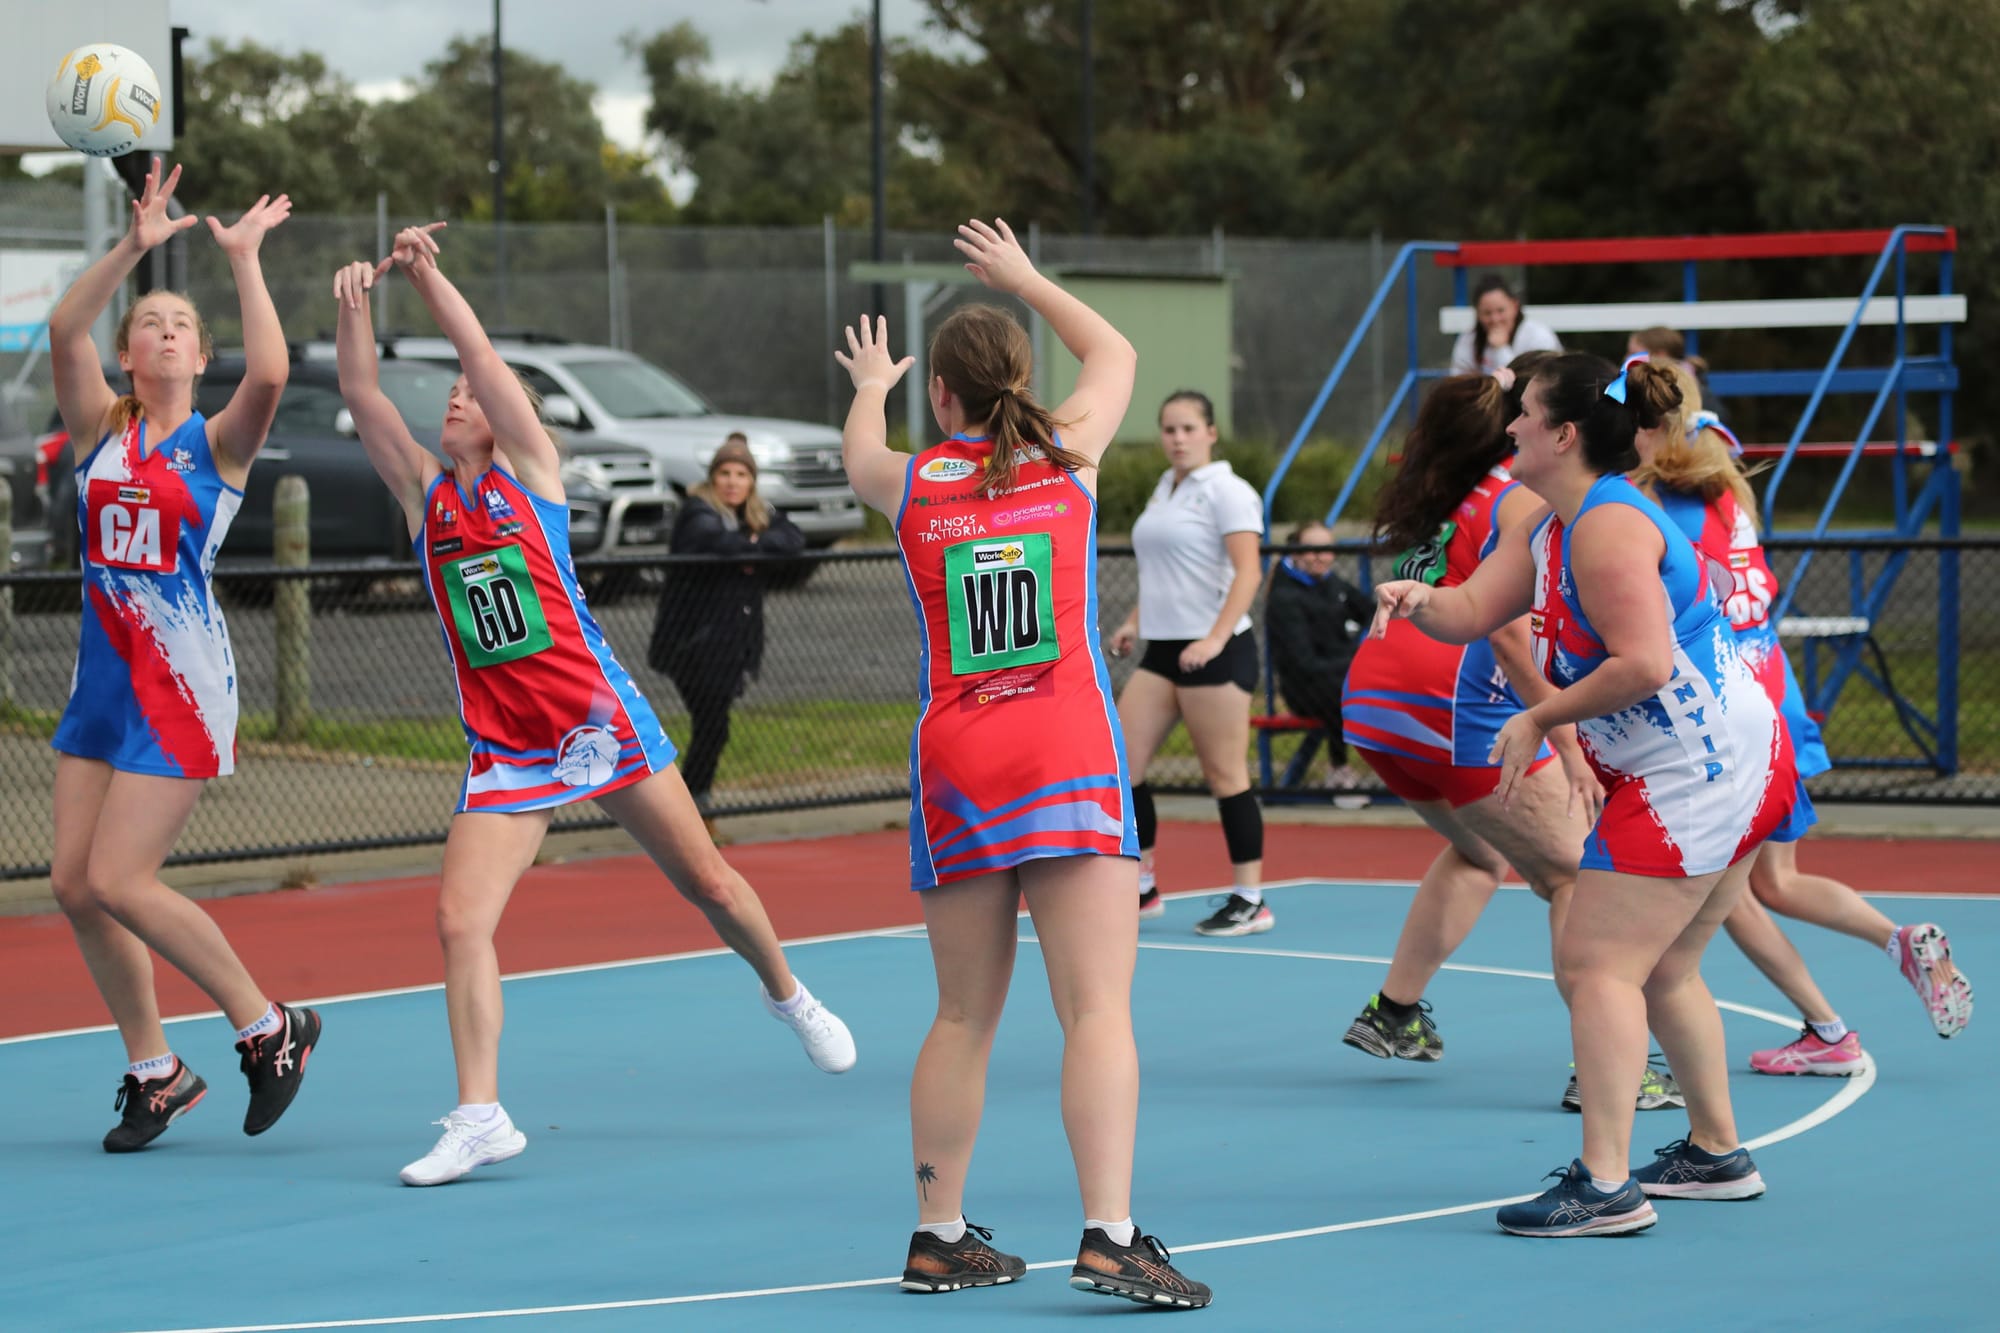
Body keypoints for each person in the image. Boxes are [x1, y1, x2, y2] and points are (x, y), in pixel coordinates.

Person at [332, 224, 854, 1188]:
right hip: (507, 746)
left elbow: (482, 355)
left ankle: (789, 993)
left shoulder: (531, 477)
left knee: (709, 883)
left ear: (504, 418)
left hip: (598, 723)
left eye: (469, 394)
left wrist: (431, 281)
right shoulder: (424, 499)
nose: (455, 398)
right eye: (449, 394)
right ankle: (481, 1115)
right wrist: (354, 306)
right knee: (459, 920)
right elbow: (362, 393)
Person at [834, 217, 1208, 1308]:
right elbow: (1116, 352)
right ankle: (1110, 1235)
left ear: (941, 397)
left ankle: (937, 1233)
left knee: (960, 1015)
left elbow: (859, 450)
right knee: (1094, 1009)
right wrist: (1027, 278)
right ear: (1021, 384)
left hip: (957, 761)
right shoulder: (1068, 458)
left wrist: (872, 384)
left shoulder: (909, 483)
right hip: (1064, 754)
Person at [1373, 351, 1797, 1237]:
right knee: (1665, 966)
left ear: (1564, 434)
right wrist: (1418, 598)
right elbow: (1471, 610)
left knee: (1597, 965)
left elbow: (1642, 664)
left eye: (1525, 412)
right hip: (1730, 756)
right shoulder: (1547, 520)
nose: (1511, 425)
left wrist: (1540, 718)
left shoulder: (1606, 528)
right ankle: (1716, 1153)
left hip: (1695, 769)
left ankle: (1605, 1185)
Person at [45, 158, 320, 1154]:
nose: (165, 331)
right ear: (127, 355)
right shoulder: (98, 432)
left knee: (122, 879)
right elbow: (63, 330)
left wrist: (241, 259)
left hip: (180, 691)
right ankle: (155, 1070)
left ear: (200, 357)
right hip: (102, 687)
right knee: (74, 884)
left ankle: (268, 1024)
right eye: (149, 324)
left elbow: (273, 375)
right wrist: (133, 246)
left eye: (180, 326)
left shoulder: (217, 446)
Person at [1630, 360, 1973, 1068]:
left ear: (1650, 428)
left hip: (1743, 718)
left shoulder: (1658, 507)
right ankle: (1894, 946)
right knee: (1770, 883)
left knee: (1727, 895)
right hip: (1774, 695)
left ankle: (1828, 1031)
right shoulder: (1724, 483)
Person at [1338, 367, 1625, 1096]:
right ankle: (1606, 1070)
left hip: (1376, 700)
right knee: (1572, 874)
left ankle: (1394, 1013)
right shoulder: (1519, 494)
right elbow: (1505, 635)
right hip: (1448, 704)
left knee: (1478, 852)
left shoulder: (1458, 492)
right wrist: (1568, 744)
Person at [1106, 390, 1268, 936]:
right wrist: (1135, 621)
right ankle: (1142, 885)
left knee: (1225, 775)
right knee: (1121, 765)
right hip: (1162, 650)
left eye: (1188, 428)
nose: (1177, 439)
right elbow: (1167, 573)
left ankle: (1250, 898)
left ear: (1211, 433)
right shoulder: (1165, 488)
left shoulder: (1228, 491)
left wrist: (1214, 639)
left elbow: (1249, 572)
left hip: (1217, 652)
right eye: (1169, 429)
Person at [647, 434, 805, 810]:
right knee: (713, 725)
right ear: (712, 477)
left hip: (730, 643)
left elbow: (793, 538)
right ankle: (690, 805)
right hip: (692, 643)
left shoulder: (753, 513)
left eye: (741, 474)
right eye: (725, 473)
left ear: (752, 481)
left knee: (713, 727)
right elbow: (716, 542)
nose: (732, 482)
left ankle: (691, 802)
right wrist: (752, 544)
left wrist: (753, 543)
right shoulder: (697, 512)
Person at [1264, 521, 1372, 789]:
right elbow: (1304, 663)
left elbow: (1371, 611)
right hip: (1304, 688)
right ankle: (1339, 769)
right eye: (1312, 550)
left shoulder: (1333, 584)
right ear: (1296, 552)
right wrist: (1354, 660)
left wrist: (1363, 644)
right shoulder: (1284, 597)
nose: (1320, 557)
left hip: (1341, 672)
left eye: (1326, 549)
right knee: (1341, 690)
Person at [1449, 274, 1563, 375]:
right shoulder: (1469, 339)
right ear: (1478, 314)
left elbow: (1535, 383)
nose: (1495, 319)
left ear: (1515, 306)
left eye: (1501, 310)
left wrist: (1501, 349)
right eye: (1487, 313)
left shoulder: (1539, 336)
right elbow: (1459, 378)